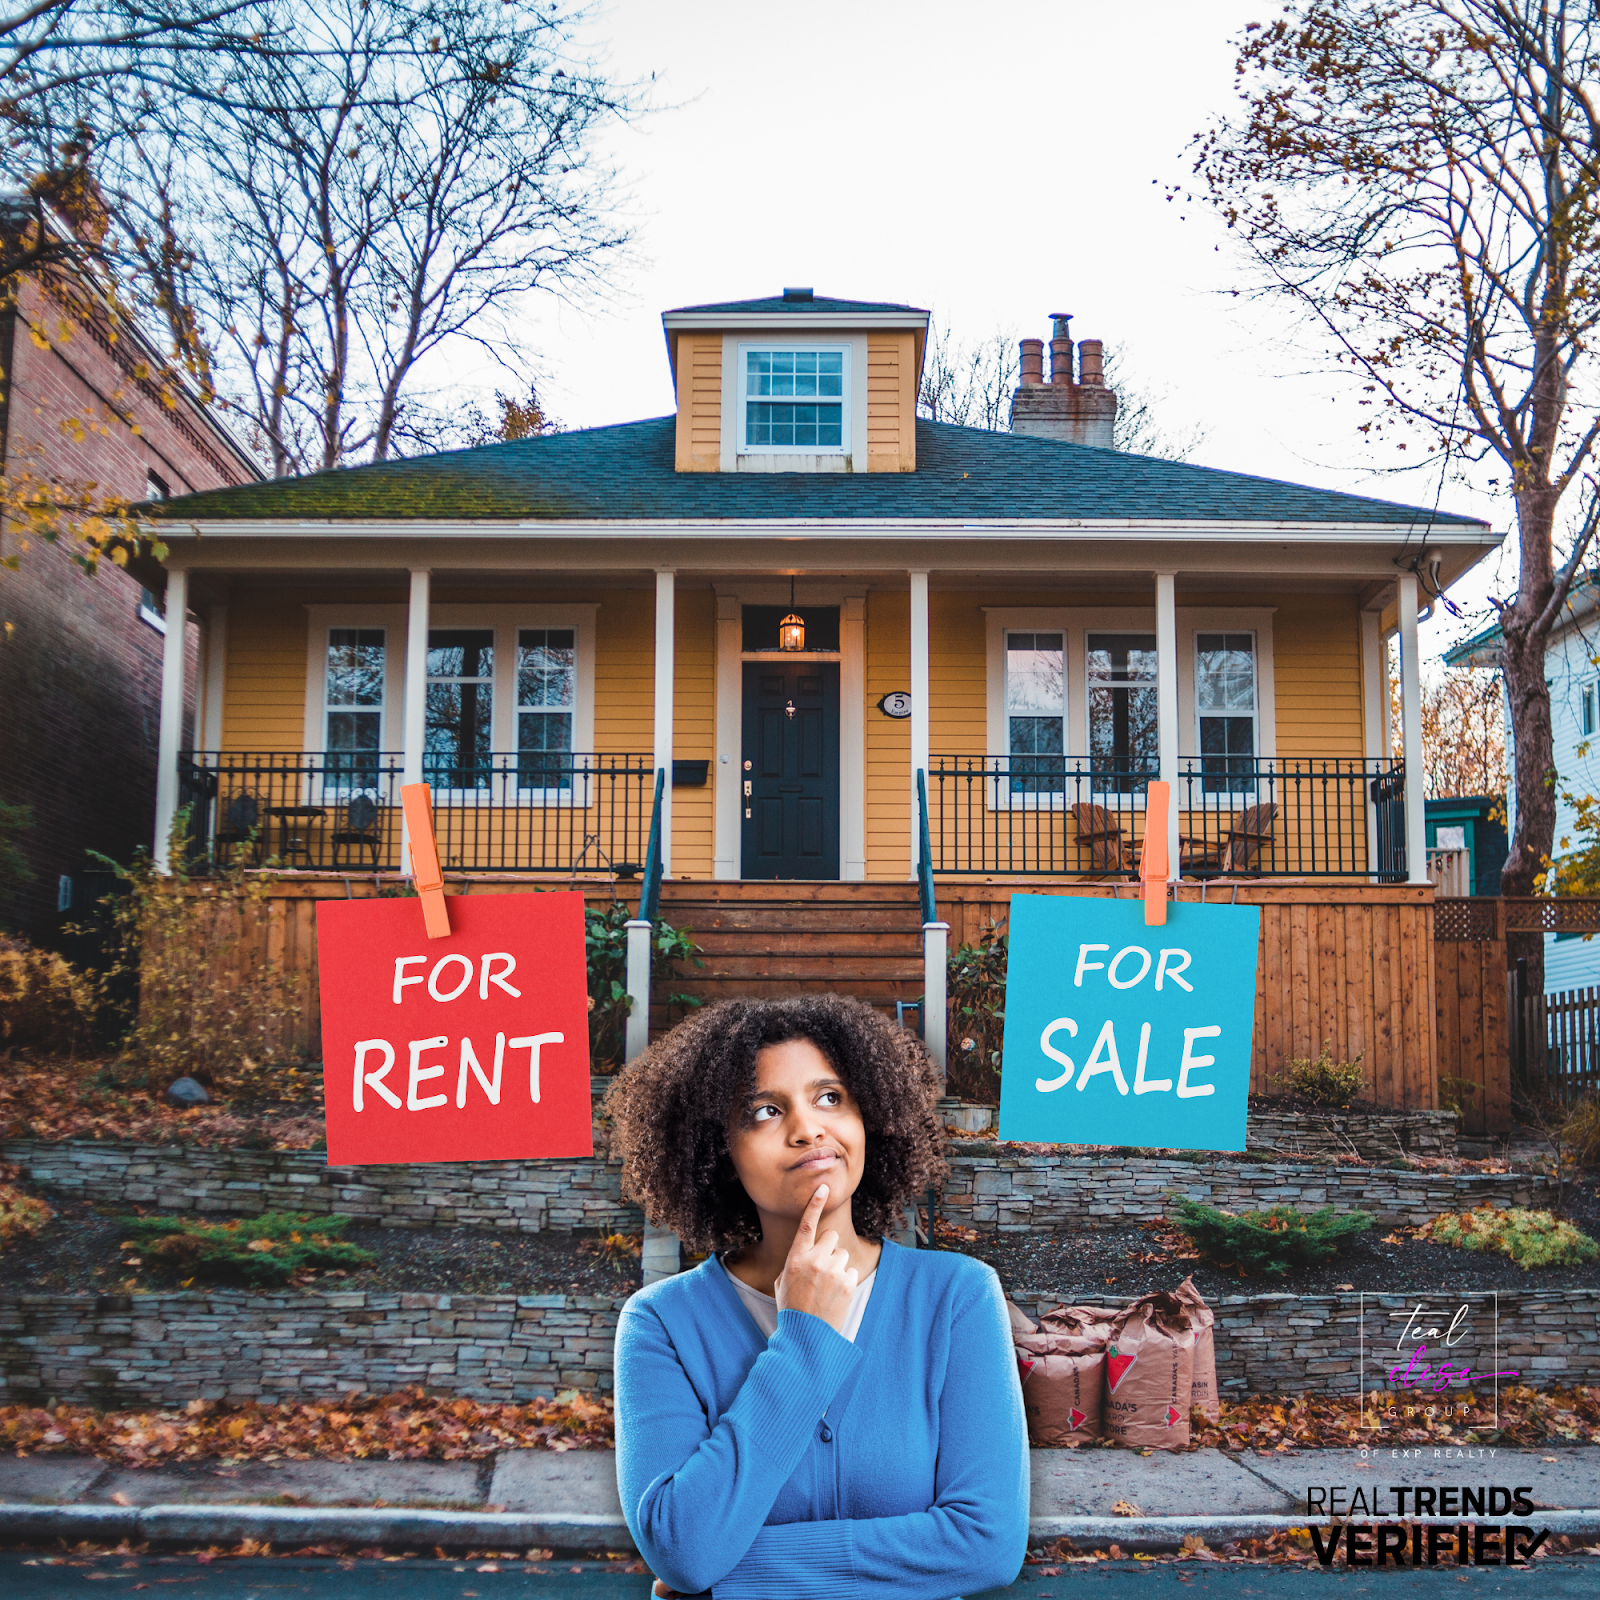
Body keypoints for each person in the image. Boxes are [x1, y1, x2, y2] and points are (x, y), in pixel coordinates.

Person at [606, 994, 1028, 1599]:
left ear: (869, 1118)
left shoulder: (957, 1298)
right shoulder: (662, 1325)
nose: (808, 1128)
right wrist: (804, 1341)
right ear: (717, 1150)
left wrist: (728, 1577)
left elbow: (986, 1545)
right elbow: (680, 1544)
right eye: (763, 1111)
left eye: (830, 1098)